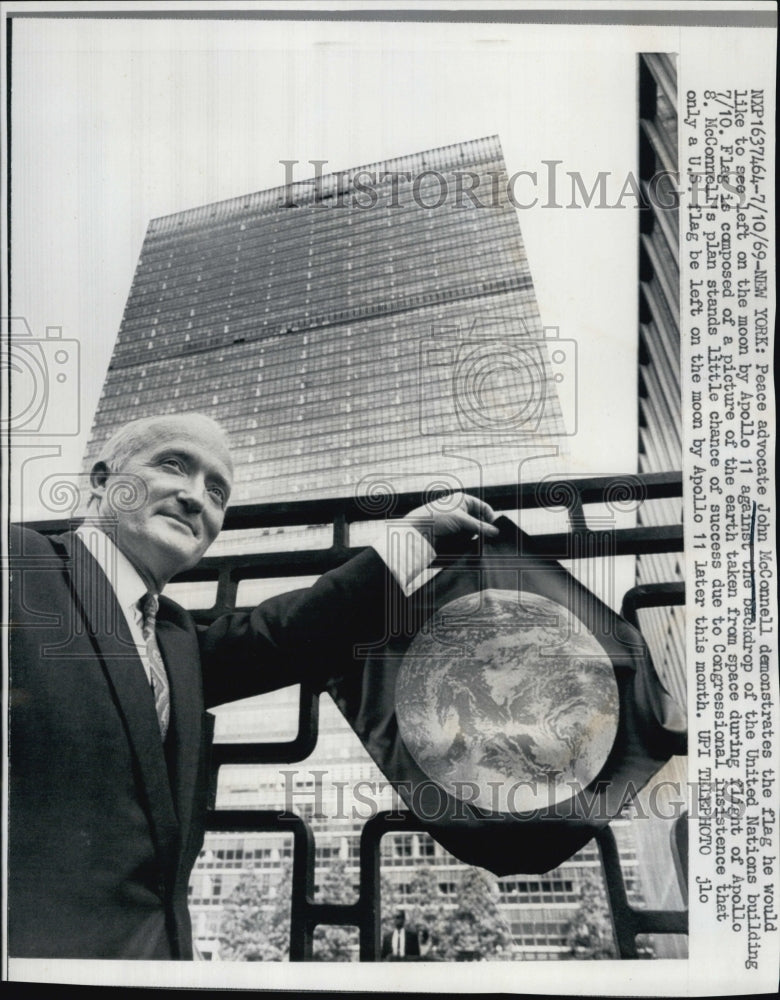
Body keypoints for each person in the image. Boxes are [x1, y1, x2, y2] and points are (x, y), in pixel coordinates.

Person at [8, 412, 498, 960]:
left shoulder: (175, 640)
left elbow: (288, 632)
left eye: (217, 491)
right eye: (173, 465)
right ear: (103, 480)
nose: (196, 498)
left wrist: (417, 538)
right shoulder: (19, 565)